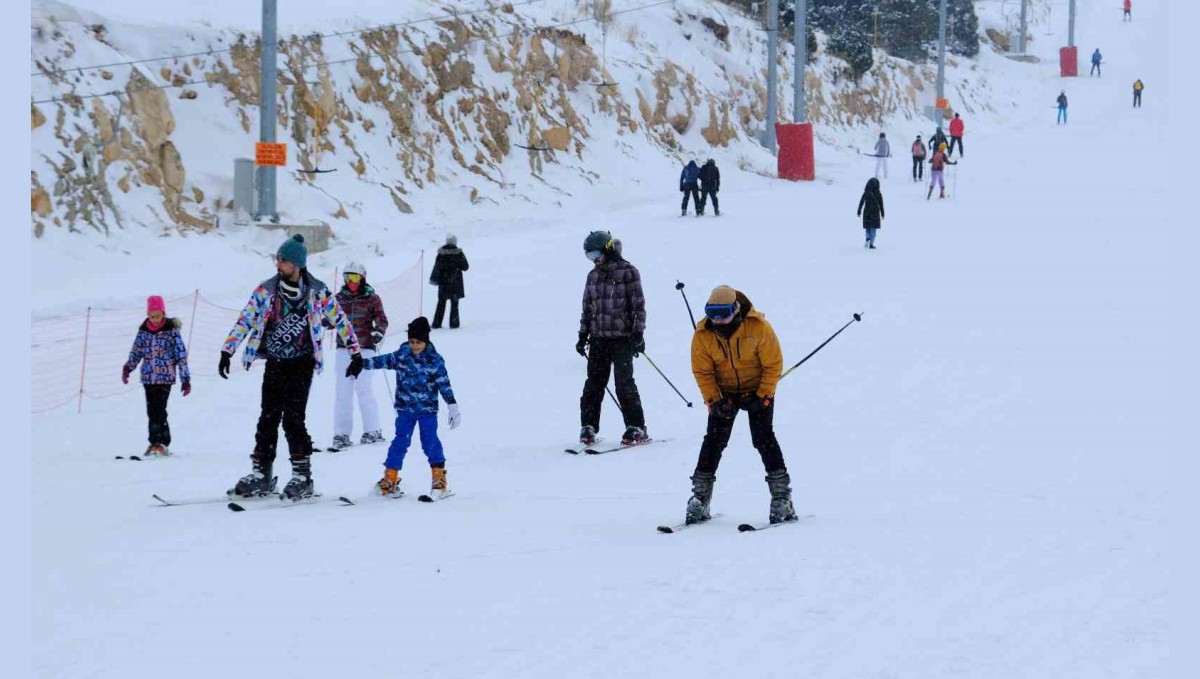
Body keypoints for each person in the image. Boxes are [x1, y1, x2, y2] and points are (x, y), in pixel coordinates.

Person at [219, 234, 363, 500]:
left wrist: (355, 352)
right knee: (268, 417)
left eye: (283, 261)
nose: (278, 264)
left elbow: (340, 320)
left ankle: (302, 476)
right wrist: (228, 350)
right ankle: (261, 473)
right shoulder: (266, 290)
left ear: (296, 264)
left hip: (302, 363)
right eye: (277, 259)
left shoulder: (317, 291)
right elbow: (246, 319)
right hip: (275, 362)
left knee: (294, 419)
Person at [684, 286, 796, 526]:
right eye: (711, 313)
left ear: (735, 310)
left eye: (723, 313)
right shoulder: (703, 334)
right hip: (724, 393)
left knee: (763, 438)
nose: (718, 320)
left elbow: (773, 364)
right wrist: (715, 400)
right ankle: (700, 497)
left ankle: (782, 498)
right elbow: (702, 371)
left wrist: (763, 396)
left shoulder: (759, 328)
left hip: (757, 390)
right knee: (713, 441)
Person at [364, 317, 460, 499]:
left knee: (430, 443)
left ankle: (439, 480)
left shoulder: (434, 360)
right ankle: (390, 479)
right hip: (405, 410)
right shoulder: (402, 354)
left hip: (427, 411)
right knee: (399, 443)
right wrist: (361, 364)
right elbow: (383, 361)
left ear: (426, 341)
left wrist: (452, 405)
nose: (414, 346)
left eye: (418, 342)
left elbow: (444, 384)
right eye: (412, 341)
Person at [576, 230, 648, 446]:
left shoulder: (628, 272)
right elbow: (588, 307)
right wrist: (582, 334)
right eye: (588, 256)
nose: (594, 260)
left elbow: (638, 306)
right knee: (593, 384)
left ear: (608, 248)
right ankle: (588, 425)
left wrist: (638, 333)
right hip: (598, 339)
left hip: (623, 338)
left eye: (595, 254)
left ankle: (636, 426)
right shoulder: (593, 276)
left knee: (624, 384)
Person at [329, 262, 389, 452]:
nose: (351, 282)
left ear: (362, 278)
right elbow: (329, 318)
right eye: (347, 278)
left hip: (365, 347)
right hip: (344, 348)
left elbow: (381, 319)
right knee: (343, 391)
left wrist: (378, 333)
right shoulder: (339, 298)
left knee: (364, 388)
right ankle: (341, 434)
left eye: (354, 277)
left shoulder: (371, 297)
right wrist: (325, 319)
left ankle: (373, 430)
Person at [123, 295, 190, 457]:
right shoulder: (143, 331)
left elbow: (181, 354)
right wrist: (128, 368)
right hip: (148, 377)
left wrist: (185, 379)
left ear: (163, 313)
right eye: (152, 316)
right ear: (148, 314)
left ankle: (162, 442)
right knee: (151, 410)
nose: (155, 319)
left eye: (158, 315)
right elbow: (136, 352)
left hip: (165, 377)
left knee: (159, 409)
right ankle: (154, 442)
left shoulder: (171, 330)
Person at [429, 234, 469, 329]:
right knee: (454, 305)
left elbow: (437, 268)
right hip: (456, 284)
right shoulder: (458, 253)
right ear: (455, 241)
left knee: (441, 304)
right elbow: (466, 267)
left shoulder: (441, 254)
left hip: (443, 284)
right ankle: (454, 324)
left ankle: (437, 323)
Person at [857, 177, 885, 249]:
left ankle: (867, 238)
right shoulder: (878, 194)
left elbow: (861, 202)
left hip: (867, 212)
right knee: (873, 229)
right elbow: (881, 204)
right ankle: (871, 243)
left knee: (868, 227)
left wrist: (859, 211)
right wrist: (882, 213)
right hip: (875, 213)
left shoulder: (866, 193)